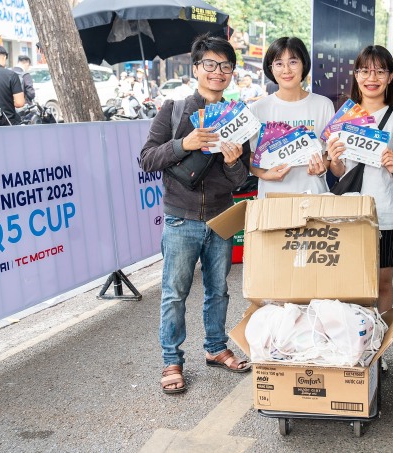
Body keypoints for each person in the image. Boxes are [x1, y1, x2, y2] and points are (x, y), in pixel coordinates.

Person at [139, 33, 252, 395]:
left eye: (225, 66)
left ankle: (216, 348)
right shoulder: (173, 110)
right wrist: (182, 144)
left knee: (218, 290)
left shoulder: (238, 117)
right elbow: (146, 159)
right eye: (210, 65)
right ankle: (171, 359)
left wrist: (234, 163)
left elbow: (240, 179)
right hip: (180, 219)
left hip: (220, 218)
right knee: (174, 292)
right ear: (196, 68)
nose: (218, 72)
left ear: (232, 72)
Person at [327, 45, 393, 314]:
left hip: (385, 213)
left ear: (390, 77)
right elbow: (339, 172)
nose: (371, 77)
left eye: (379, 71)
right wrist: (335, 161)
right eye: (364, 70)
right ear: (356, 75)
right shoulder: (343, 117)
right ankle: (355, 346)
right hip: (348, 212)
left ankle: (379, 350)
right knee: (348, 282)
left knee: (383, 283)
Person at [248, 37, 334, 197]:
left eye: (293, 62)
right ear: (271, 68)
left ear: (304, 65)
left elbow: (329, 152)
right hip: (271, 199)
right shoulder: (257, 109)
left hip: (313, 196)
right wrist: (263, 174)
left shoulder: (323, 105)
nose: (286, 70)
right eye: (279, 63)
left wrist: (324, 165)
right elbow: (249, 155)